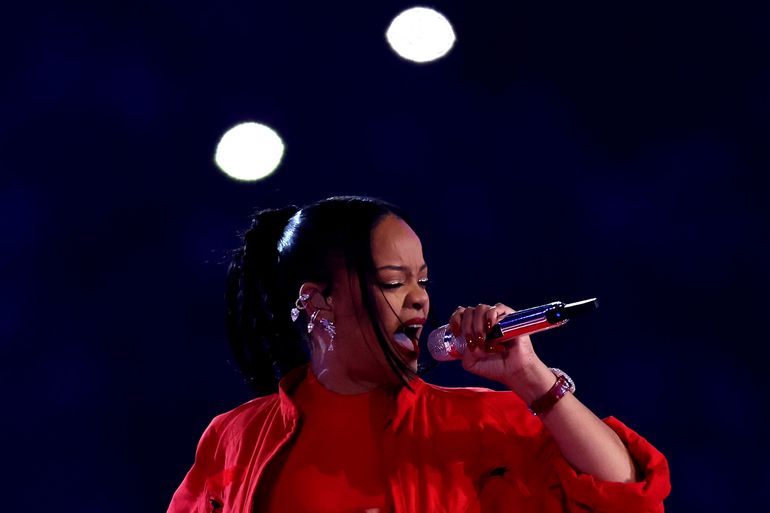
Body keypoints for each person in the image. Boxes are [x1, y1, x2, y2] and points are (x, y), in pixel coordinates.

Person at [167, 196, 670, 513]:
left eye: (423, 281)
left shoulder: (477, 423)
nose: (420, 301)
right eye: (393, 282)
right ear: (318, 301)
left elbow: (627, 497)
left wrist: (531, 376)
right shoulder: (235, 438)